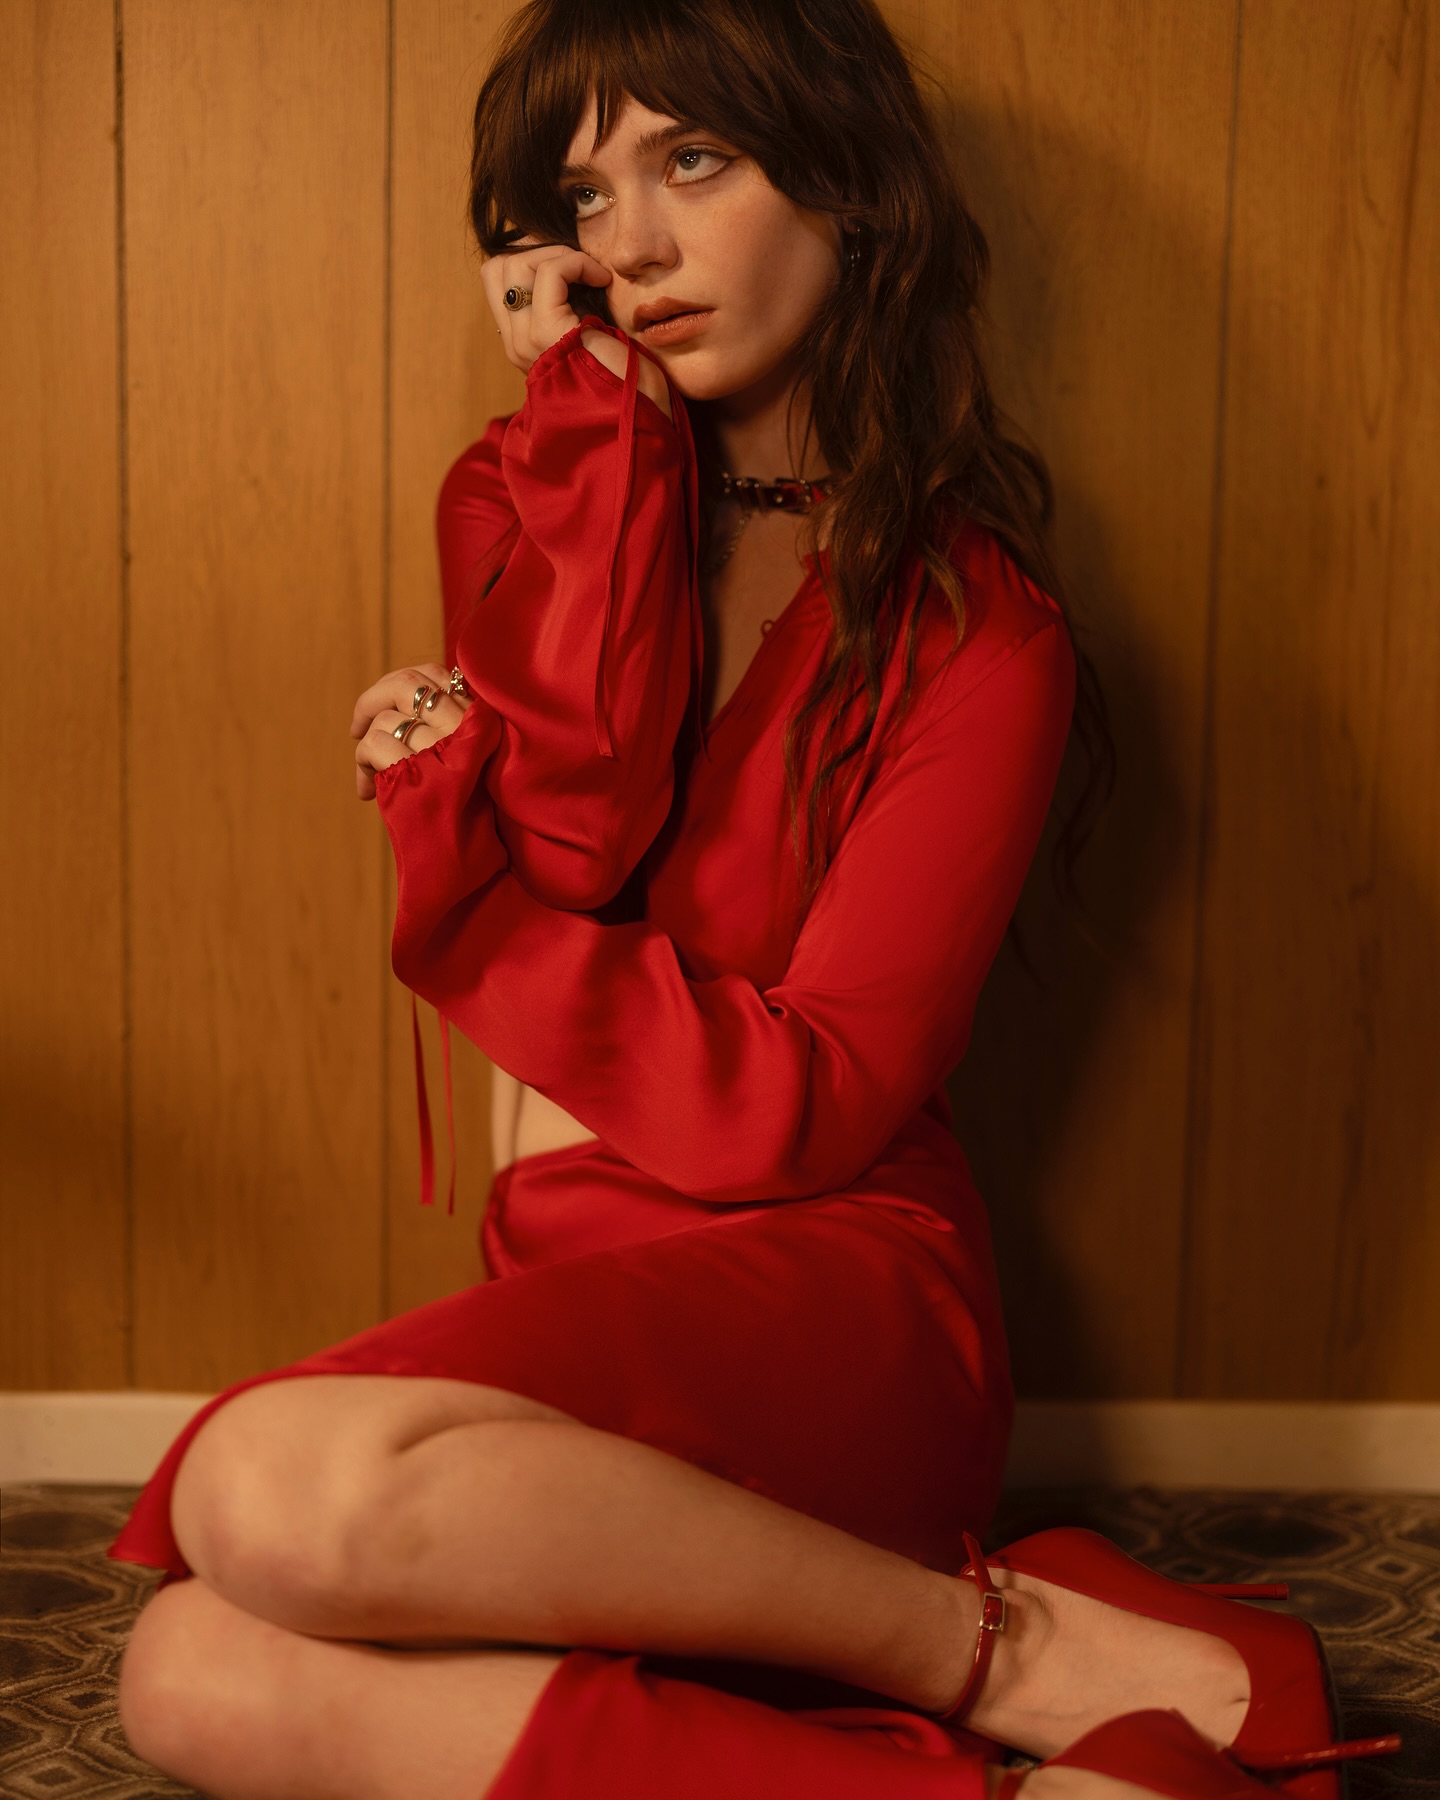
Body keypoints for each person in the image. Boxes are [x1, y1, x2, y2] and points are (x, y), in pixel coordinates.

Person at [109, 3, 1399, 1796]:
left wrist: (458, 896)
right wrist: (602, 441)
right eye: (583, 196)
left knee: (265, 1486)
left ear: (849, 190)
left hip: (836, 1280)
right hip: (577, 1267)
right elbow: (580, 828)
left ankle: (993, 1648)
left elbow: (807, 1100)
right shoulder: (518, 496)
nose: (630, 245)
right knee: (185, 1670)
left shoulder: (979, 629)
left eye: (693, 161)